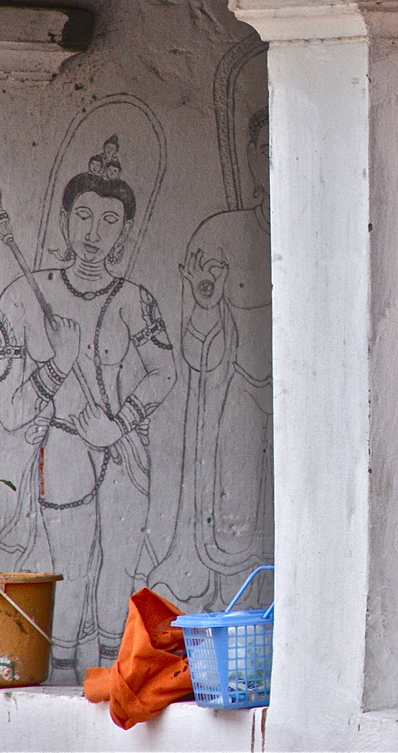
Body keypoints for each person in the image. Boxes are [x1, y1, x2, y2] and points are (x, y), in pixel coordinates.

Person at [0, 135, 175, 678]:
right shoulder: (24, 297)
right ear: (66, 220)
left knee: (118, 573)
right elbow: (10, 408)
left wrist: (119, 423)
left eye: (111, 221)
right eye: (85, 217)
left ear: (124, 232)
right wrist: (55, 366)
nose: (95, 234)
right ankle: (67, 690)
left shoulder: (135, 300)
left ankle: (117, 687)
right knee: (67, 577)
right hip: (66, 451)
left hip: (120, 452)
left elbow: (163, 371)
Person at [147, 110, 274, 609]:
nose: (273, 160)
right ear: (249, 159)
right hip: (238, 404)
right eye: (264, 150)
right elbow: (195, 357)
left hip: (301, 409)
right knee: (234, 538)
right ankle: (239, 640)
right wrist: (204, 307)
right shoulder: (221, 235)